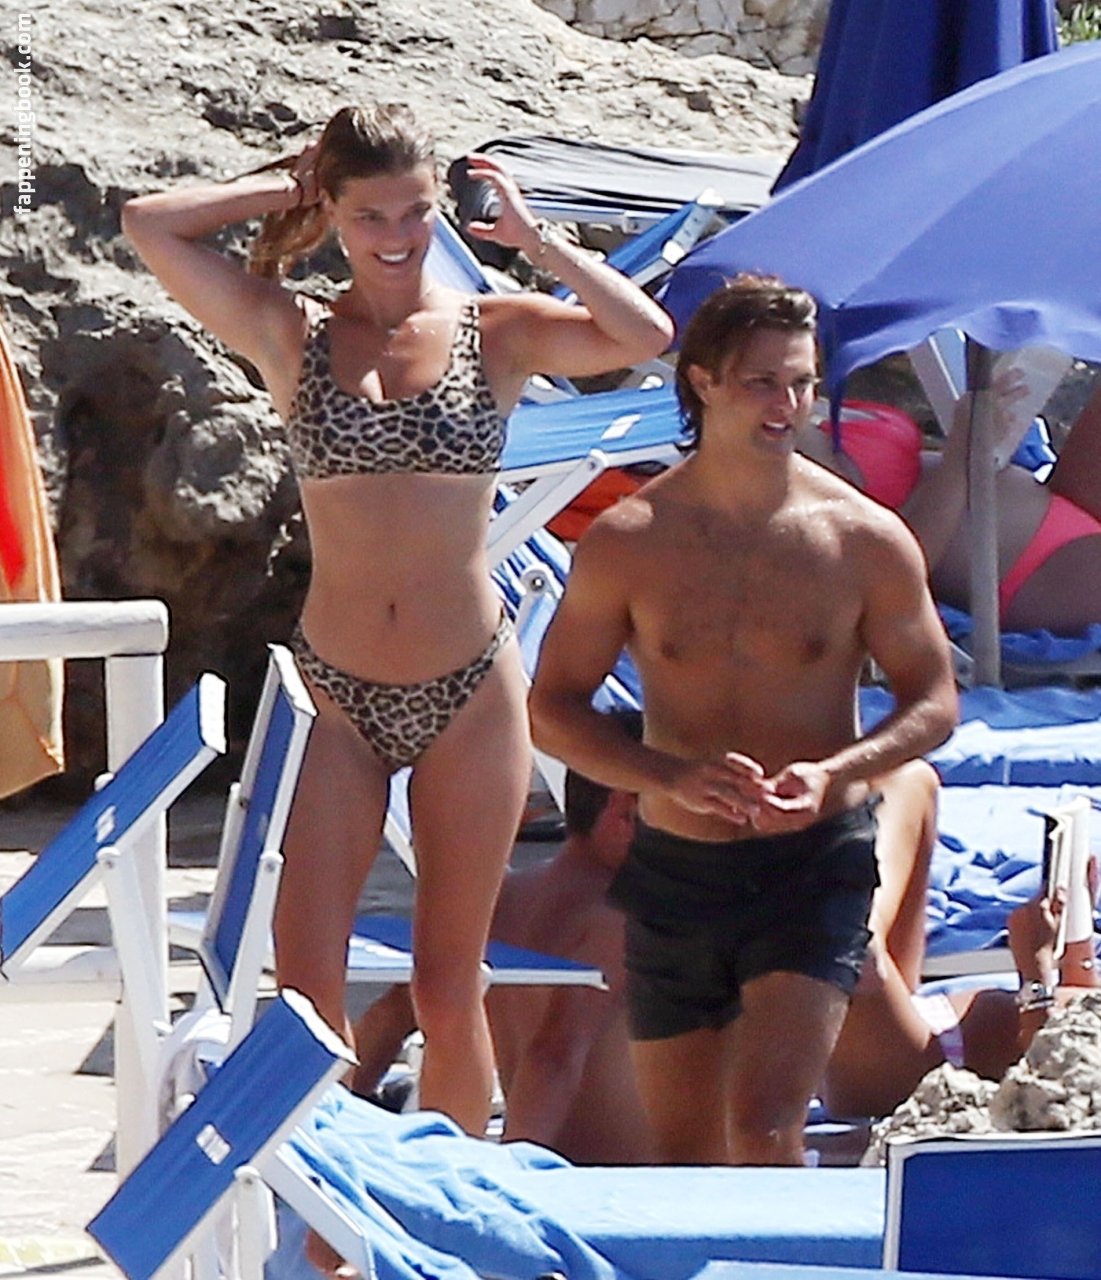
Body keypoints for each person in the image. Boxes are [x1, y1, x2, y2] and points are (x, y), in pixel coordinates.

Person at [121, 103, 673, 1134]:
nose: (395, 235)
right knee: (305, 994)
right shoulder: (292, 332)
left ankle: (443, 1195)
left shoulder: (495, 331)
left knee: (446, 987)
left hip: (469, 690)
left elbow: (647, 336)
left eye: (416, 212)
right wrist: (282, 187)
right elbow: (148, 224)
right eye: (369, 214)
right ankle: (326, 1198)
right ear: (335, 215)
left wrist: (535, 240)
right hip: (335, 694)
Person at [528, 272, 959, 1166]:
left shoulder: (861, 539)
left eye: (801, 384)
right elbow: (552, 710)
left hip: (812, 863)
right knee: (687, 1158)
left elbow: (933, 699)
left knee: (764, 1128)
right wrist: (667, 777)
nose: (787, 405)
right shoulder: (629, 541)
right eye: (763, 382)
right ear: (703, 381)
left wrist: (837, 773)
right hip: (675, 868)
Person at [352, 709, 655, 1165]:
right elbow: (554, 1056)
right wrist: (514, 1176)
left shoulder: (501, 897)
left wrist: (332, 1124)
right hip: (603, 1181)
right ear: (625, 810)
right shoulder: (617, 916)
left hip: (545, 1157)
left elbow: (392, 1016)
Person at [798, 373, 1101, 634]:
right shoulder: (781, 462)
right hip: (1030, 569)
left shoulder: (790, 402)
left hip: (1051, 504)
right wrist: (962, 451)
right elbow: (894, 569)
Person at [825, 850, 1101, 1121]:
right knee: (911, 820)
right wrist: (1078, 936)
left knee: (841, 915)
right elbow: (1085, 1028)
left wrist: (1035, 975)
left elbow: (1050, 1090)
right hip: (924, 1026)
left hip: (921, 1068)